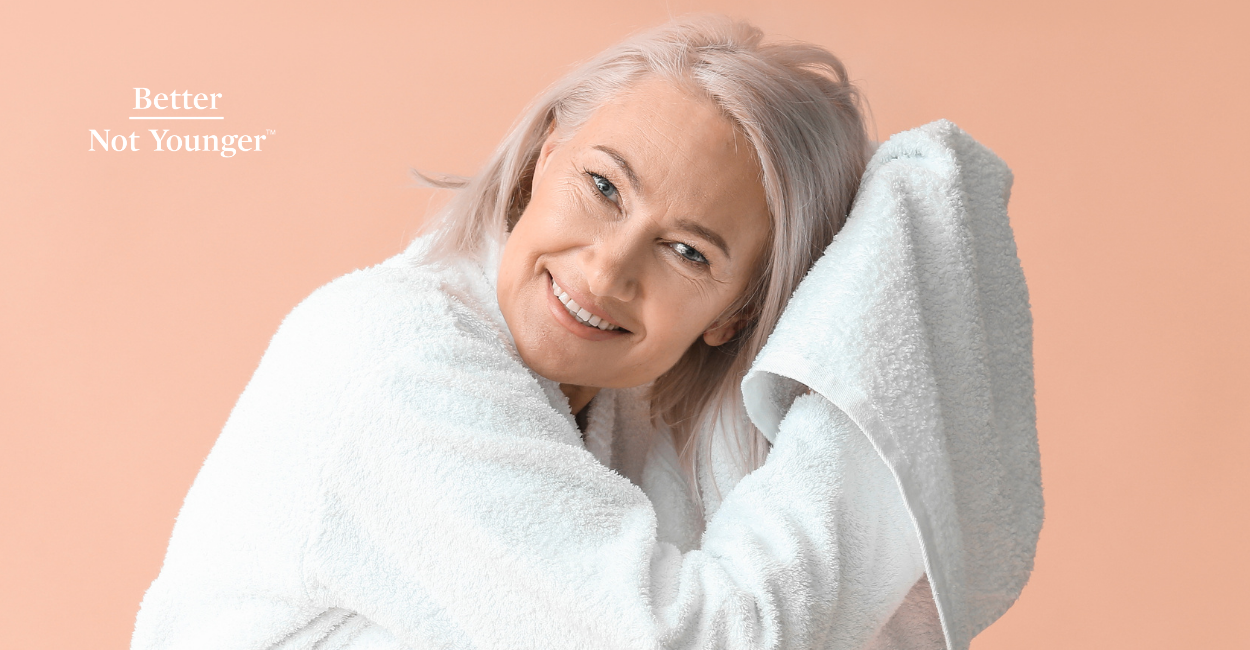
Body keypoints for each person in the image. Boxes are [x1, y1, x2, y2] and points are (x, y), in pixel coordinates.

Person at [131, 15, 1025, 650]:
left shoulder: (619, 417)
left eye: (685, 251)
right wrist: (859, 408)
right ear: (545, 153)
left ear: (736, 316)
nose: (604, 272)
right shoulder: (396, 365)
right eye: (603, 187)